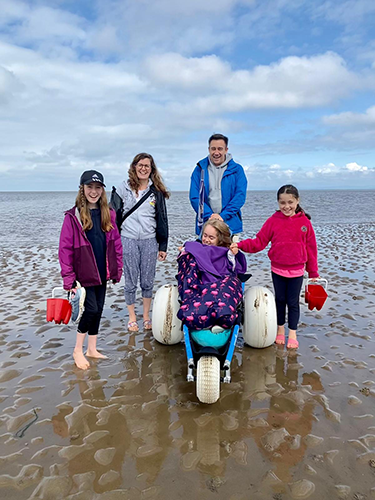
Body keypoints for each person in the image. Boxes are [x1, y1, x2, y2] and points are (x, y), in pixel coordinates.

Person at [230, 185, 320, 350]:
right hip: (278, 269)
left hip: (297, 270)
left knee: (292, 302)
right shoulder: (273, 221)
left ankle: (292, 333)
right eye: (282, 203)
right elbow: (259, 242)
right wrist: (240, 245)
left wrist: (313, 272)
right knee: (279, 300)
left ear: (297, 201)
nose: (287, 206)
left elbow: (311, 249)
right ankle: (280, 329)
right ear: (278, 203)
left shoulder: (304, 222)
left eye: (290, 202)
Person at [59, 170, 123, 370]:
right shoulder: (73, 217)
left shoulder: (109, 213)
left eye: (97, 188)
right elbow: (65, 248)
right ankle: (78, 349)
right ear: (82, 189)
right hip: (83, 273)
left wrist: (117, 269)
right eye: (89, 187)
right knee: (91, 309)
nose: (93, 191)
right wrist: (69, 279)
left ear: (102, 190)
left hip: (102, 270)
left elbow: (116, 243)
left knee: (99, 309)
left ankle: (92, 349)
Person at [115, 153, 169, 332]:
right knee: (130, 281)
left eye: (147, 166)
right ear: (134, 167)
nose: (143, 168)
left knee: (147, 281)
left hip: (149, 240)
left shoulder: (156, 192)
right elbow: (113, 216)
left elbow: (162, 219)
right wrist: (112, 243)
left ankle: (146, 315)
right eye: (140, 165)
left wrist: (163, 245)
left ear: (151, 169)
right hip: (127, 239)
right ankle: (132, 317)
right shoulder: (122, 188)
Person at [177, 219, 247, 331]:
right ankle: (212, 320)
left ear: (219, 239)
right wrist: (184, 253)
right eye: (205, 236)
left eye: (211, 237)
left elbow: (234, 269)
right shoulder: (195, 248)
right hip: (201, 284)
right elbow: (188, 267)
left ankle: (217, 320)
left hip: (222, 281)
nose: (206, 240)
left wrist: (233, 255)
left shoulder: (226, 252)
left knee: (224, 290)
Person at [189, 133, 247, 236]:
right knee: (204, 252)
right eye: (213, 149)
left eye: (220, 149)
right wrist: (211, 216)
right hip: (206, 225)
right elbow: (195, 197)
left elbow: (240, 196)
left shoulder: (237, 170)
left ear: (226, 150)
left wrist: (223, 216)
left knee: (230, 252)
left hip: (230, 225)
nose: (216, 152)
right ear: (209, 149)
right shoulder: (199, 169)